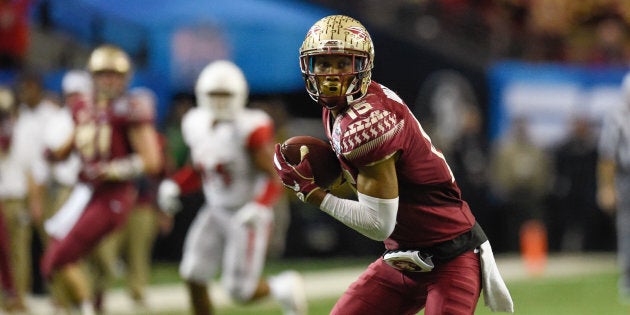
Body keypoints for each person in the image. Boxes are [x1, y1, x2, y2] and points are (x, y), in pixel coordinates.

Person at [272, 15, 513, 314]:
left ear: (362, 66)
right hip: (402, 260)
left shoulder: (368, 122)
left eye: (342, 63)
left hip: (450, 257)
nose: (331, 74)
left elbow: (378, 224)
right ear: (309, 67)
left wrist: (312, 193)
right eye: (323, 63)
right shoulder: (337, 111)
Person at [157, 60, 308, 315]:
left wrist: (259, 207)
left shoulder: (248, 128)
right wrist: (174, 185)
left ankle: (283, 287)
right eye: (214, 94)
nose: (219, 101)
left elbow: (276, 176)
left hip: (245, 214)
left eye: (225, 94)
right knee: (192, 273)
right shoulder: (196, 123)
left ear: (239, 94)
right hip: (215, 209)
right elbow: (200, 169)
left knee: (239, 291)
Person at [40, 44, 163, 314]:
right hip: (84, 193)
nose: (109, 80)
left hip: (113, 196)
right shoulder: (82, 106)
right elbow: (74, 144)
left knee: (62, 257)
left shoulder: (130, 108)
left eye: (115, 74)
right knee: (54, 260)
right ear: (92, 76)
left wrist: (111, 170)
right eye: (103, 74)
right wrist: (56, 153)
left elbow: (152, 160)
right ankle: (87, 305)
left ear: (125, 77)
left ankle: (86, 308)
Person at [597, 72, 630, 303]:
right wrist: (606, 187)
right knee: (627, 229)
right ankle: (628, 278)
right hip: (626, 177)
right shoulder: (617, 116)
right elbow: (607, 156)